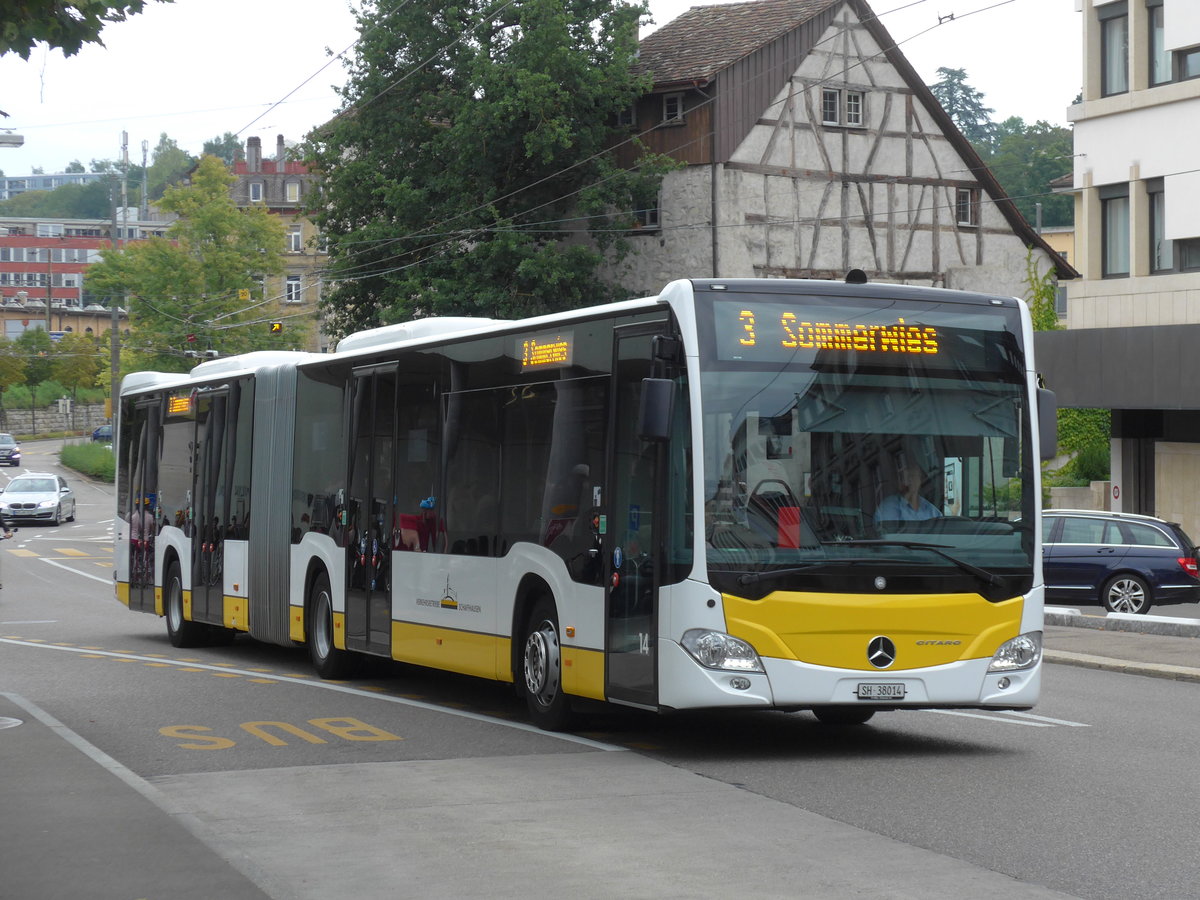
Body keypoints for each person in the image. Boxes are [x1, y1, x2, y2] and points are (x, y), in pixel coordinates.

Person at [875, 462, 942, 523]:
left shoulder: (931, 510)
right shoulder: (888, 507)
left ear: (920, 480)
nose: (909, 481)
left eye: (913, 476)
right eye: (905, 477)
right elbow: (886, 533)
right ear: (898, 482)